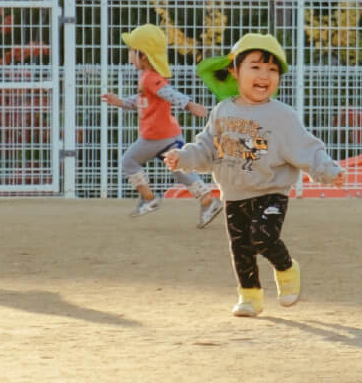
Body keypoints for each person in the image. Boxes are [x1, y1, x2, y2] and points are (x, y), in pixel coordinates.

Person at [165, 33, 344, 318]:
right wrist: (183, 158)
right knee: (241, 248)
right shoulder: (222, 111)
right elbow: (207, 148)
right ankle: (250, 296)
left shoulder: (282, 115)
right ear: (234, 71)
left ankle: (286, 268)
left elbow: (306, 146)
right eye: (256, 67)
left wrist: (327, 170)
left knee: (262, 236)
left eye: (273, 69)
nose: (264, 76)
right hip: (234, 194)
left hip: (270, 191)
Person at [101, 23, 221, 226]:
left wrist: (189, 105)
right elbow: (141, 101)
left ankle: (149, 198)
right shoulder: (147, 78)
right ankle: (208, 201)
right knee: (181, 171)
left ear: (144, 55)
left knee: (129, 161)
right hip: (169, 135)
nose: (129, 55)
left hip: (156, 137)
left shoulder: (150, 78)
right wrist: (120, 102)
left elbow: (169, 94)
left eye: (132, 51)